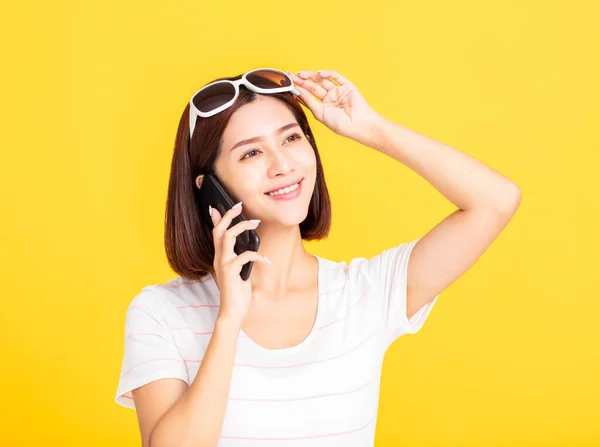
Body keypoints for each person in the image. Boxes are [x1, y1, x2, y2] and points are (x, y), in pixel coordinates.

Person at [114, 68, 521, 446]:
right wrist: (229, 319)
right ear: (209, 188)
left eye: (291, 138)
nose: (283, 165)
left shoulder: (366, 294)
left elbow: (496, 201)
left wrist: (372, 129)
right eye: (250, 154)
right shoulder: (160, 312)